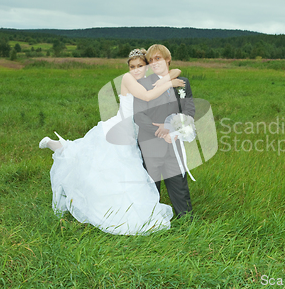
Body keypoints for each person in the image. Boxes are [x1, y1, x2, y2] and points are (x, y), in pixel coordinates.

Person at [39, 48, 185, 235]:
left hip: (133, 131)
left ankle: (61, 146)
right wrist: (169, 83)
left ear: (146, 66)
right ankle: (60, 147)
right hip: (120, 128)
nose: (136, 69)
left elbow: (175, 71)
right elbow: (148, 96)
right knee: (111, 167)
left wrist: (167, 78)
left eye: (140, 66)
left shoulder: (148, 79)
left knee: (104, 163)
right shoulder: (128, 79)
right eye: (132, 66)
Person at [133, 44, 195, 220]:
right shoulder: (143, 84)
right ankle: (150, 223)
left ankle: (186, 223)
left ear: (168, 59)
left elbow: (189, 111)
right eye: (151, 60)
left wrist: (172, 128)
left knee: (179, 186)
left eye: (158, 58)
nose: (154, 63)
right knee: (151, 187)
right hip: (150, 145)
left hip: (173, 144)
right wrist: (159, 130)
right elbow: (138, 115)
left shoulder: (182, 83)